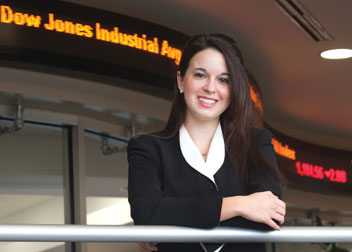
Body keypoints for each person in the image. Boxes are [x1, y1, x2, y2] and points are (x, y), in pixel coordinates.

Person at [127, 34, 286, 252]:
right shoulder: (147, 148)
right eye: (200, 75)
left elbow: (270, 215)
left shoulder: (255, 143)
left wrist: (173, 222)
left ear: (233, 89)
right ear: (181, 81)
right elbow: (148, 212)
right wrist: (240, 205)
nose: (210, 88)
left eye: (223, 80)